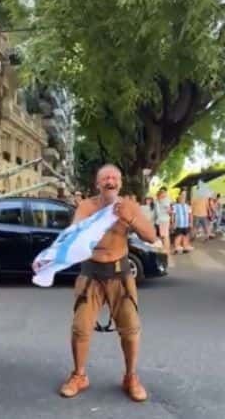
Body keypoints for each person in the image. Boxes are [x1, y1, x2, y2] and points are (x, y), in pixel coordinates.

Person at [54, 164, 156, 402]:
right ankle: (79, 375)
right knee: (80, 329)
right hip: (91, 275)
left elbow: (150, 236)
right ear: (97, 184)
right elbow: (74, 233)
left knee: (130, 330)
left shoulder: (129, 206)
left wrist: (129, 218)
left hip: (120, 276)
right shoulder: (86, 207)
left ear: (119, 183)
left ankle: (131, 377)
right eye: (105, 178)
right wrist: (96, 220)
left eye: (114, 178)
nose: (110, 181)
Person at [154, 187, 173, 260]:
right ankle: (165, 251)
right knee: (164, 236)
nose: (164, 195)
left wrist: (169, 212)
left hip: (163, 220)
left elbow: (169, 211)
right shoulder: (160, 201)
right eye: (163, 194)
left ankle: (166, 252)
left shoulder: (164, 201)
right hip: (162, 220)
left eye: (164, 194)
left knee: (165, 236)